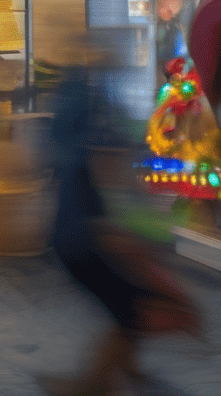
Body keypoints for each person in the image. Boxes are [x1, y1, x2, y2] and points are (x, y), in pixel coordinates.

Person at [36, 70, 202, 395]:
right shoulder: (100, 152)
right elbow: (109, 215)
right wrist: (137, 242)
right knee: (127, 314)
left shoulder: (87, 147)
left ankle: (119, 373)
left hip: (80, 240)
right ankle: (94, 384)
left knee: (129, 311)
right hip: (86, 243)